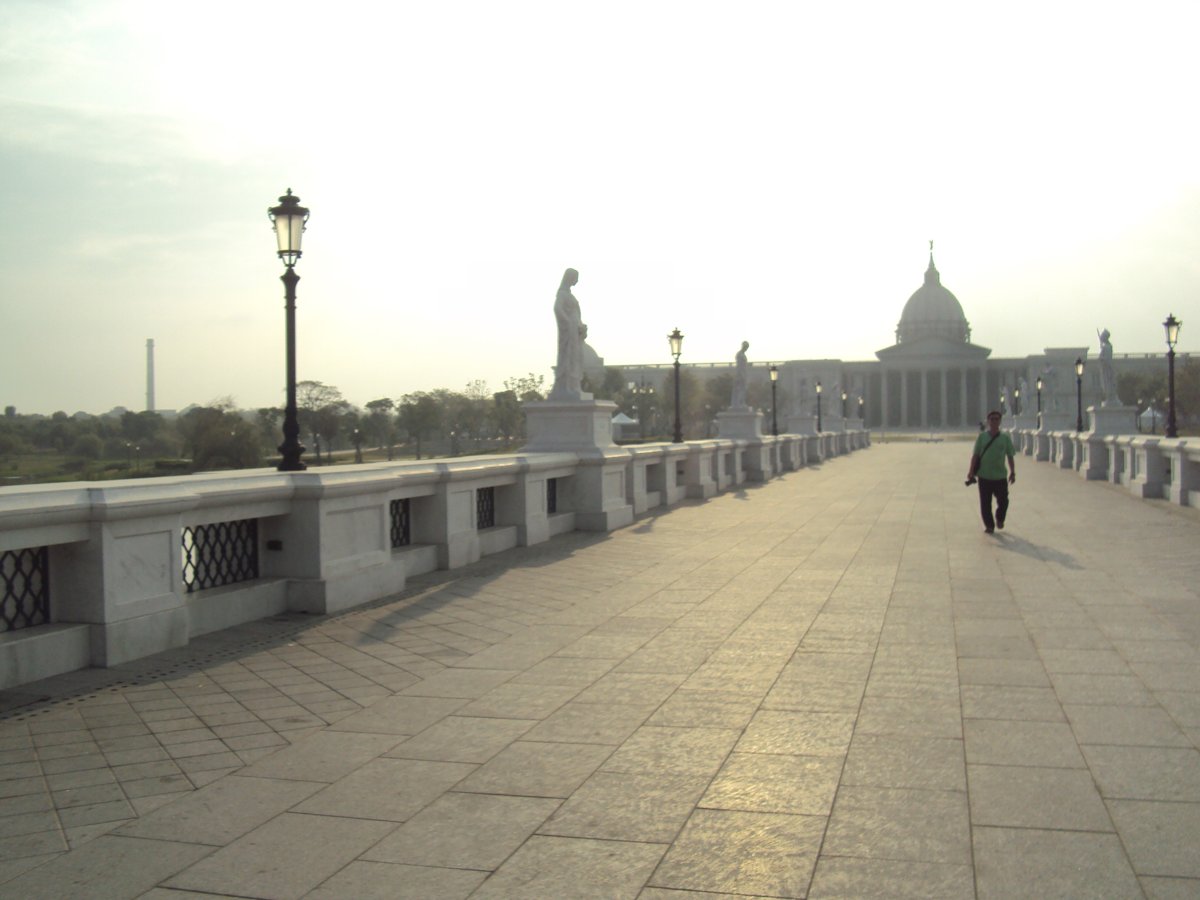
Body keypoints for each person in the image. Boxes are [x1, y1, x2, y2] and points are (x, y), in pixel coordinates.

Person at [967, 409, 1016, 534]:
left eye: (996, 419)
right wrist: (971, 471)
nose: (994, 421)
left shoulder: (1005, 438)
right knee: (985, 503)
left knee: (1004, 501)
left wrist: (1013, 472)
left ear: (1000, 421)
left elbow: (1010, 455)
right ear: (988, 422)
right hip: (984, 475)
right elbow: (976, 455)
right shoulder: (982, 437)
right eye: (992, 419)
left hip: (1000, 476)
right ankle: (989, 525)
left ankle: (1000, 517)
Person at [550, 268, 586, 399]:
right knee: (568, 357)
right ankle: (567, 386)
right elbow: (557, 309)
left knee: (575, 358)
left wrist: (581, 326)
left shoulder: (570, 295)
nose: (577, 281)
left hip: (575, 331)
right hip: (569, 331)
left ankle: (574, 385)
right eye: (575, 277)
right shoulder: (562, 294)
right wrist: (568, 323)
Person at [731, 341, 749, 408]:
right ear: (742, 346)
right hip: (740, 374)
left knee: (742, 389)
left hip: (743, 373)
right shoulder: (739, 355)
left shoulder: (743, 355)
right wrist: (741, 375)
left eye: (747, 347)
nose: (746, 348)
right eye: (745, 347)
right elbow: (739, 366)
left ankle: (741, 402)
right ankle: (738, 403)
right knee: (739, 389)